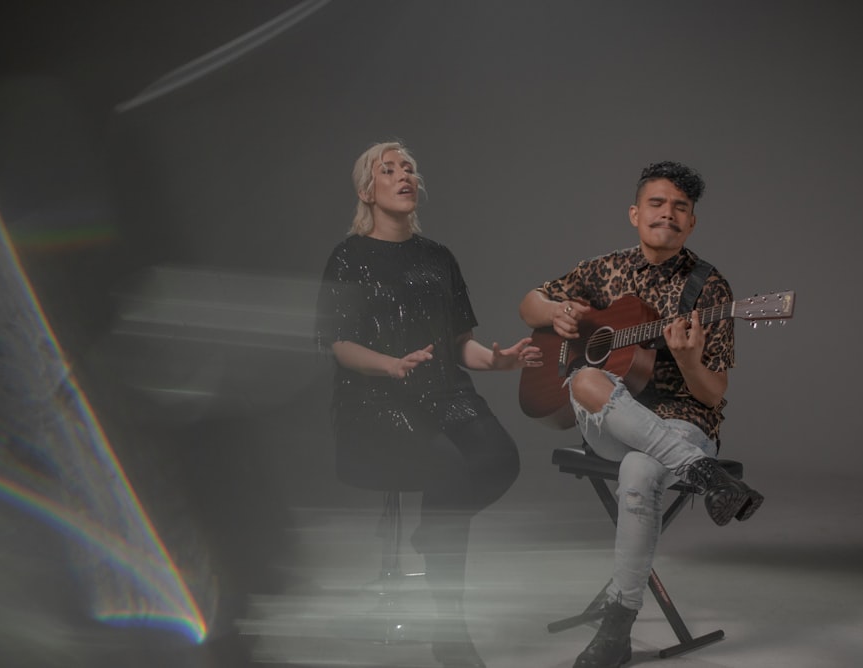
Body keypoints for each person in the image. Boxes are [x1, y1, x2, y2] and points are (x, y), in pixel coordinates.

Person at [518, 161, 764, 668]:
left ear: (691, 222)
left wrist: (690, 357)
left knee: (639, 468)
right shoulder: (602, 269)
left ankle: (617, 626)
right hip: (607, 419)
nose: (667, 214)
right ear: (635, 213)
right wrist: (555, 313)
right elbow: (530, 302)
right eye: (657, 203)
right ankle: (707, 476)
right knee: (585, 378)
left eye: (681, 208)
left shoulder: (709, 290)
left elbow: (713, 395)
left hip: (683, 423)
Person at [315, 141, 541, 668]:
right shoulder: (347, 256)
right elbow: (342, 346)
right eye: (388, 169)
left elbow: (461, 344)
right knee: (445, 464)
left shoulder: (439, 256)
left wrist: (499, 361)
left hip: (444, 392)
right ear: (366, 190)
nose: (403, 175)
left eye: (409, 168)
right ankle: (450, 627)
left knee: (500, 459)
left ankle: (431, 532)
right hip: (374, 399)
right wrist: (390, 365)